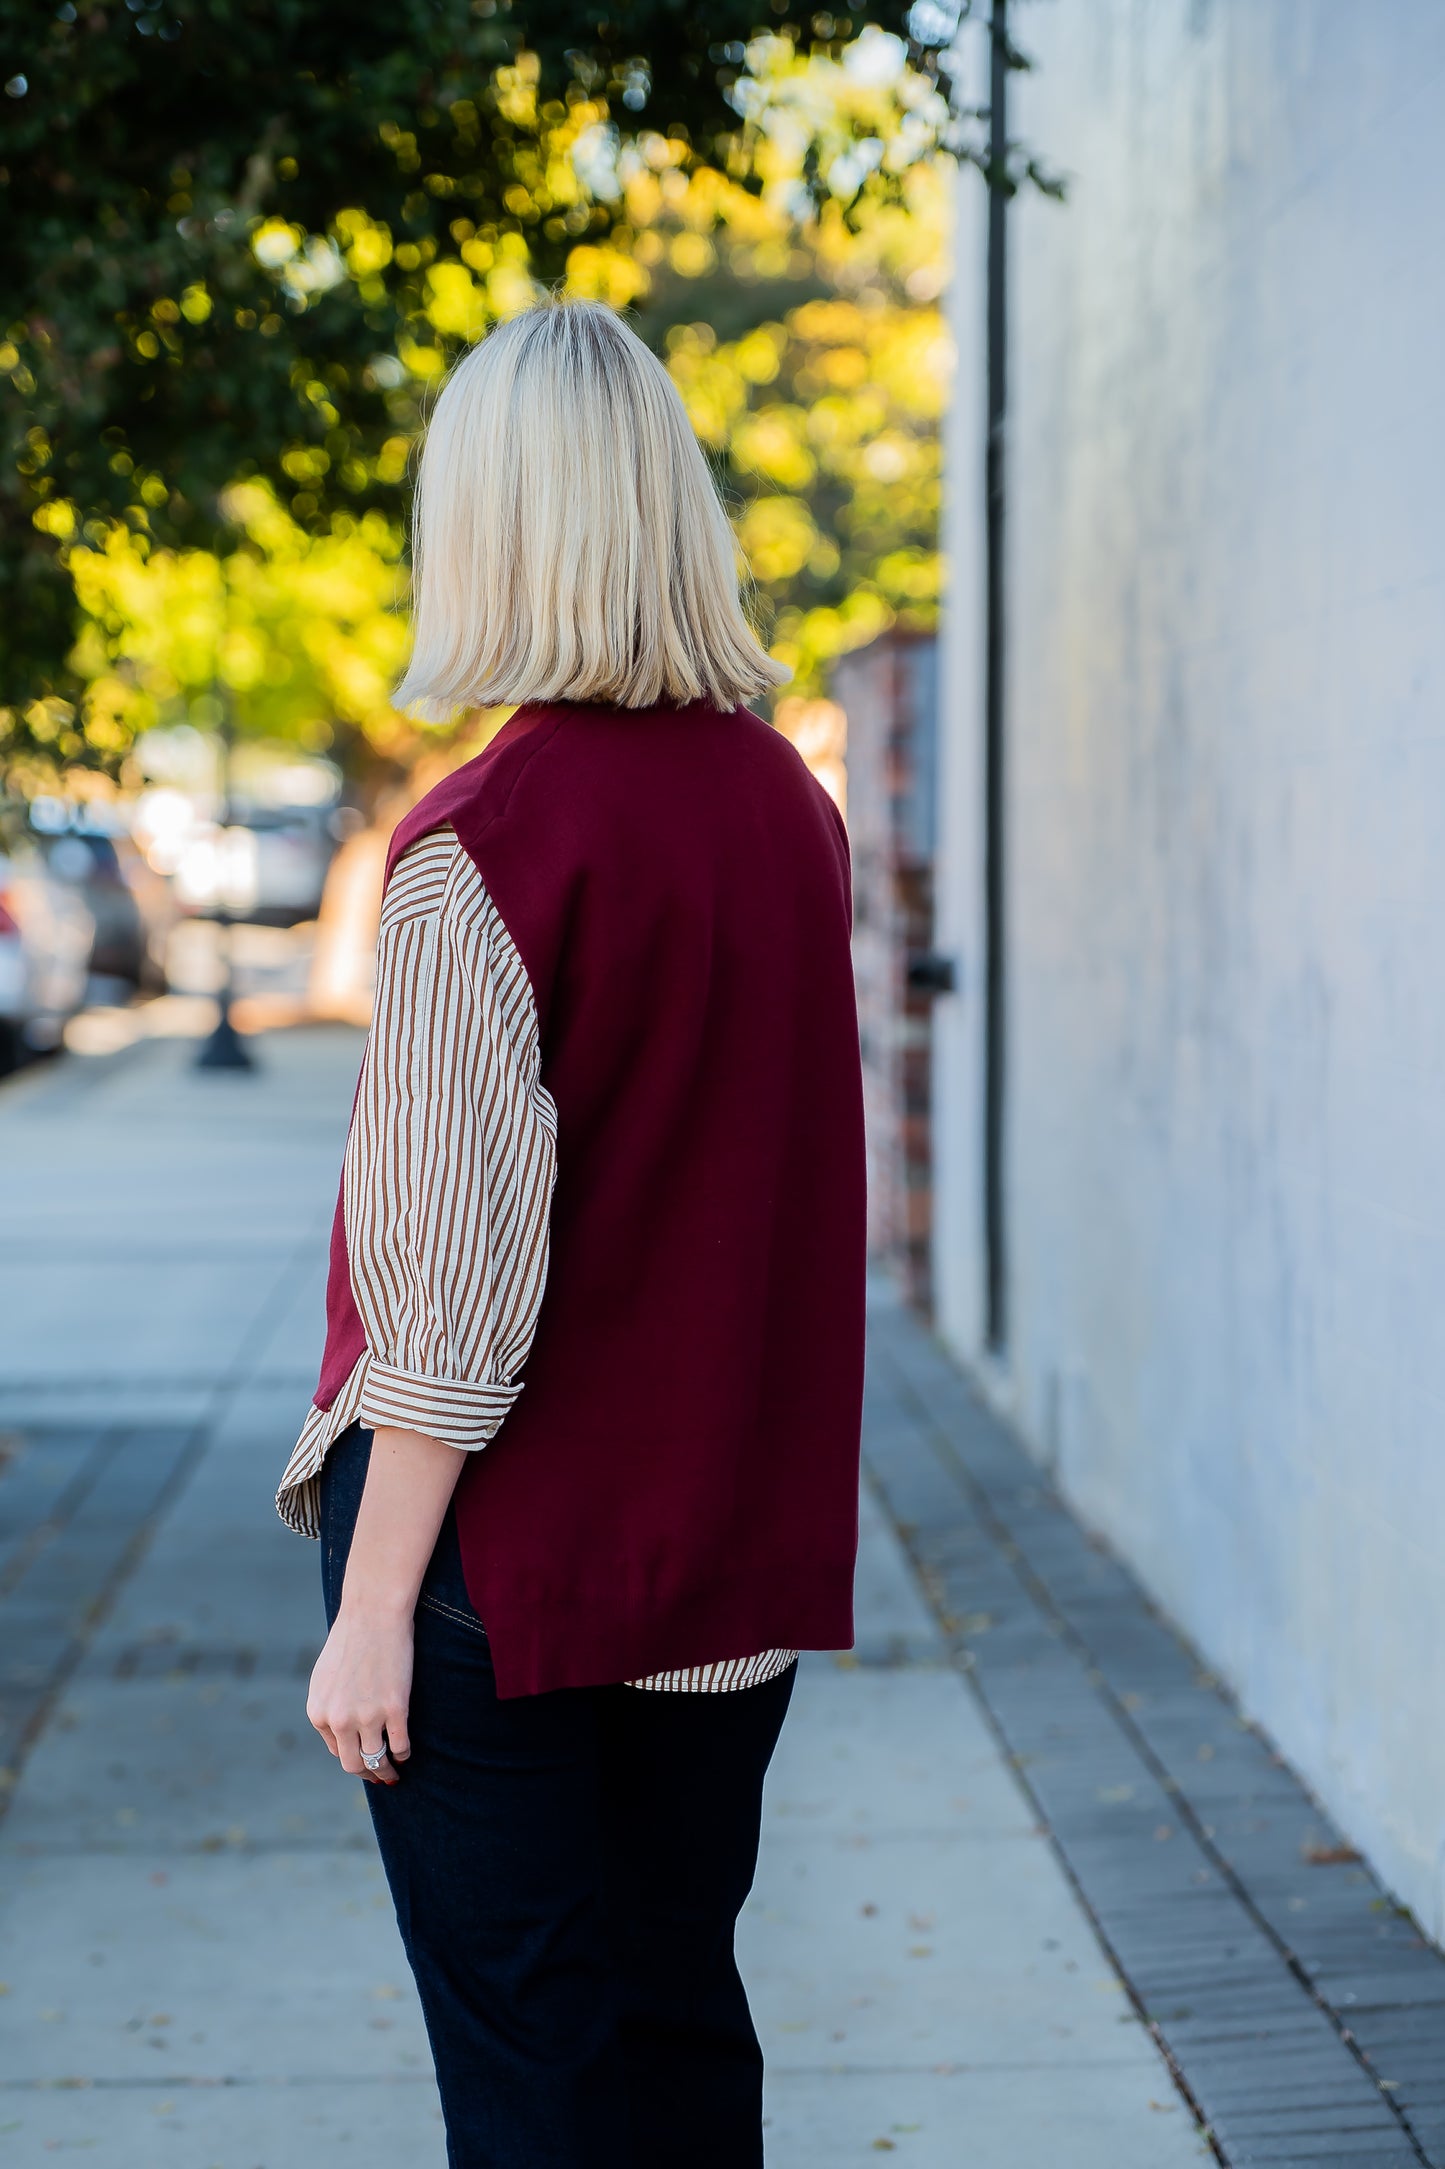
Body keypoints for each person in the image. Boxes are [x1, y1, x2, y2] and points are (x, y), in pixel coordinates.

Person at [276, 297, 866, 2169]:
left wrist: (370, 1611)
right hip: (718, 1566)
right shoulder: (789, 810)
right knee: (679, 2027)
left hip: (499, 1582)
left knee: (535, 2076)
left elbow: (448, 1313)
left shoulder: (481, 845)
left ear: (492, 524)